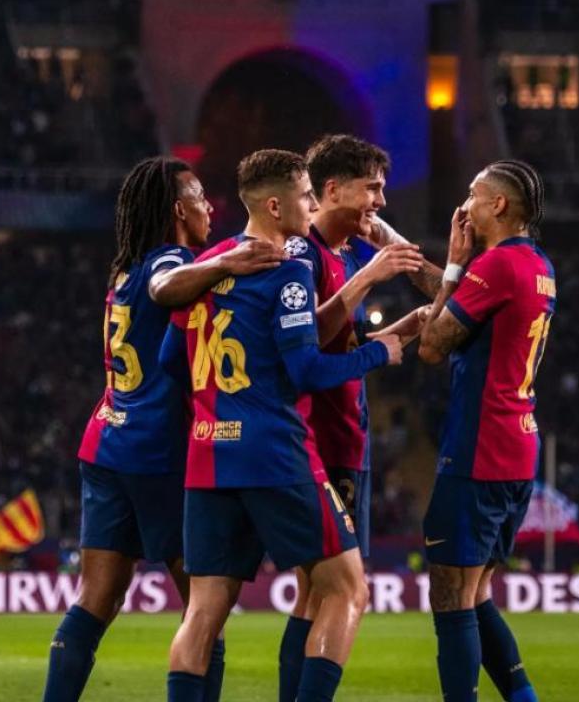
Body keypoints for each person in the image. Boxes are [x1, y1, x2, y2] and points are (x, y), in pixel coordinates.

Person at [165, 149, 414, 702]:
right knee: (346, 590)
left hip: (207, 455)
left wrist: (218, 408)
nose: (310, 206)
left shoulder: (214, 263)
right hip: (276, 454)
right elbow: (305, 370)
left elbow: (169, 360)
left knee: (202, 611)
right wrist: (381, 354)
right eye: (304, 197)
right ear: (275, 206)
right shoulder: (290, 270)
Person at [45, 155, 283, 702]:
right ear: (179, 209)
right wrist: (228, 265)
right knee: (205, 613)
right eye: (200, 197)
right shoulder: (168, 261)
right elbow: (166, 287)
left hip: (106, 441)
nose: (210, 207)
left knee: (95, 602)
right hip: (159, 454)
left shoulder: (123, 267)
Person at [278, 134, 430, 702]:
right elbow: (304, 345)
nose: (381, 202)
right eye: (373, 188)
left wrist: (397, 331)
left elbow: (340, 343)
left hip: (344, 439)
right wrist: (374, 274)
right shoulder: (303, 254)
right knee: (344, 592)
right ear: (332, 189)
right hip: (318, 443)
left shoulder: (339, 256)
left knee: (315, 595)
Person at [417, 159, 553, 702]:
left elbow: (431, 344)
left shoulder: (494, 266)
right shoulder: (536, 263)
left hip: (479, 448)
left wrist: (452, 267)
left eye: (473, 195)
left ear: (498, 205)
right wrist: (406, 254)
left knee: (451, 594)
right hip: (517, 446)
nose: (464, 206)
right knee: (475, 594)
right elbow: (466, 303)